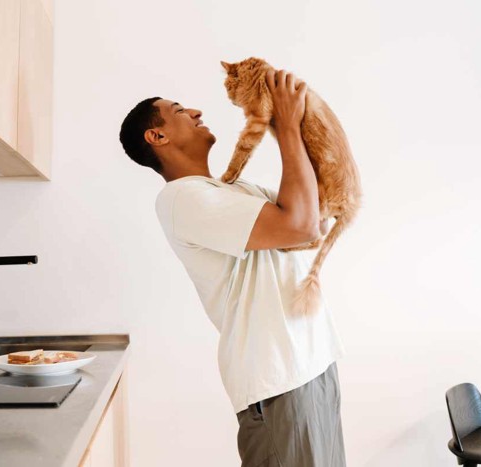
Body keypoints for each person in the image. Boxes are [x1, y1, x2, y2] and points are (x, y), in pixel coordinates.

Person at [119, 70, 347, 466]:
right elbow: (300, 224)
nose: (195, 111)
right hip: (279, 379)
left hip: (311, 365)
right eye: (177, 111)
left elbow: (314, 226)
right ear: (157, 137)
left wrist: (290, 123)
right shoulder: (181, 199)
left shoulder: (233, 192)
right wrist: (288, 127)